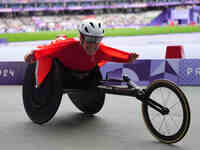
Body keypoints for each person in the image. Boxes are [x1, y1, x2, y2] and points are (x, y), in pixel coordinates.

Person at [24, 19, 139, 89]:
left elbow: (114, 54)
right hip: (64, 60)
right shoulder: (68, 46)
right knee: (59, 42)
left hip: (83, 72)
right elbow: (47, 50)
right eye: (90, 39)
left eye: (97, 40)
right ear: (81, 38)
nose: (93, 45)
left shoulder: (101, 49)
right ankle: (61, 37)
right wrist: (33, 55)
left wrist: (129, 57)